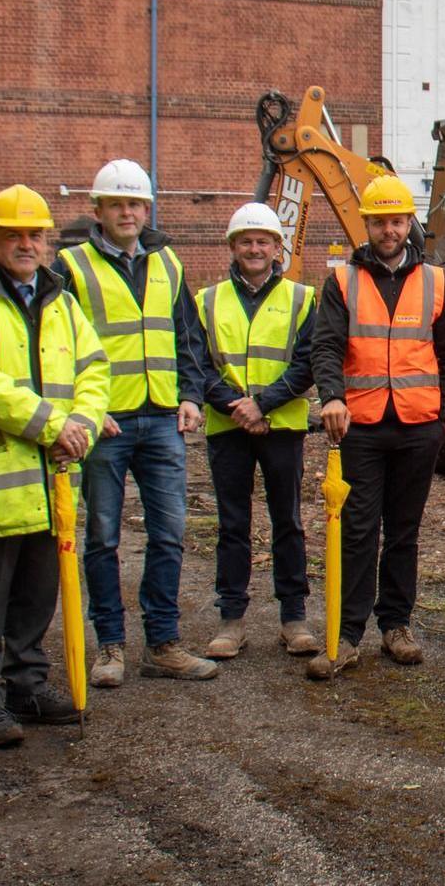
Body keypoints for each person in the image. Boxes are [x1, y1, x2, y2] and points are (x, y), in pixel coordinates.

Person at [0, 185, 110, 746]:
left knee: (38, 592)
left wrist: (83, 420)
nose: (26, 244)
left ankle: (25, 685)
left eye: (35, 234)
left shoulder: (62, 302)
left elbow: (95, 369)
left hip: (54, 476)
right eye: (14, 235)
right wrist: (55, 425)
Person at [55, 158, 216, 684]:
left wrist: (190, 396)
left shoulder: (168, 262)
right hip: (106, 425)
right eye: (117, 204)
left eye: (136, 204)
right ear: (97, 209)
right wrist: (84, 411)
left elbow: (188, 335)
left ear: (147, 209)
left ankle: (163, 643)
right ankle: (111, 647)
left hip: (163, 421)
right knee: (103, 537)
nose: (128, 212)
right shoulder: (70, 266)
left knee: (169, 534)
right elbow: (56, 349)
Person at [309, 175, 445, 678]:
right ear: (368, 224)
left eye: (396, 221)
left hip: (419, 426)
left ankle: (395, 625)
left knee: (404, 532)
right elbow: (327, 346)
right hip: (362, 424)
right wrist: (332, 397)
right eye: (379, 221)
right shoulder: (342, 282)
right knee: (358, 530)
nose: (388, 230)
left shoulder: (437, 282)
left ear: (408, 224)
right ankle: (348, 633)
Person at [196, 202, 321, 662]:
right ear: (233, 247)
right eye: (246, 241)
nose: (254, 248)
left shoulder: (302, 298)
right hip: (228, 427)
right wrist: (237, 407)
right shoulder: (206, 301)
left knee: (287, 521)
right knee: (233, 524)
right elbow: (197, 364)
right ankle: (231, 620)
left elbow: (308, 362)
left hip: (282, 426)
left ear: (277, 248)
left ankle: (294, 618)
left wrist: (263, 404)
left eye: (263, 241)